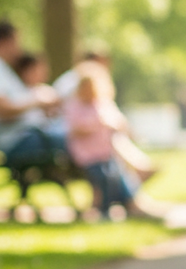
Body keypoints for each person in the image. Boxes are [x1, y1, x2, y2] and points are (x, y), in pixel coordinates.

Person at [0, 21, 67, 167]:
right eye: (16, 43)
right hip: (17, 140)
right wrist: (37, 101)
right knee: (83, 139)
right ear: (3, 42)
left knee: (84, 134)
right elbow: (2, 111)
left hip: (26, 135)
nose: (19, 50)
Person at [63, 63, 157, 220]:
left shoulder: (102, 104)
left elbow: (120, 123)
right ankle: (105, 209)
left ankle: (129, 203)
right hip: (87, 155)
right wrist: (96, 125)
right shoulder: (75, 106)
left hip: (105, 153)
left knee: (117, 173)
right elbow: (74, 129)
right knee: (103, 176)